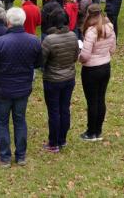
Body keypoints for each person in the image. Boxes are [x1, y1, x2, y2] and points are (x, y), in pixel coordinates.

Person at [0, 7, 43, 167]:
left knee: (2, 122)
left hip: (4, 88)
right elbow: (38, 63)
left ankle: (5, 157)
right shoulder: (33, 41)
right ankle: (20, 156)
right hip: (22, 87)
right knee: (19, 120)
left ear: (8, 22)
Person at [41, 10, 79, 152]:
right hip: (68, 77)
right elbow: (75, 56)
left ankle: (54, 143)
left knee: (54, 111)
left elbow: (41, 60)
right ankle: (62, 139)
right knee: (64, 109)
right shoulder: (73, 36)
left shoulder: (49, 40)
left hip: (53, 80)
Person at [79, 4, 116, 141]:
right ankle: (98, 130)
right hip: (105, 67)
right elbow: (112, 49)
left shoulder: (91, 31)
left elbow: (85, 55)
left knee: (92, 101)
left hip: (91, 69)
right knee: (100, 99)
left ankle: (91, 132)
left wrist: (79, 57)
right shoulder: (110, 27)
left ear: (89, 14)